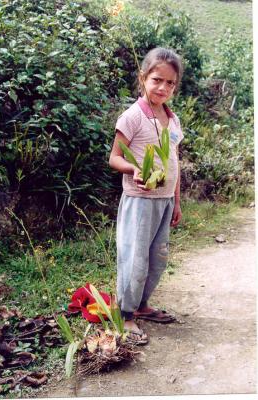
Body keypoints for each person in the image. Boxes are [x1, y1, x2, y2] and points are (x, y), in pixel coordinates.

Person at [109, 47, 184, 345]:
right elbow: (114, 158)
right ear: (143, 78)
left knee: (157, 259)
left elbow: (174, 162)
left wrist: (177, 201)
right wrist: (135, 168)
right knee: (134, 259)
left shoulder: (172, 119)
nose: (163, 87)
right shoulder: (133, 117)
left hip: (165, 201)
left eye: (170, 83)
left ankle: (142, 306)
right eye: (157, 80)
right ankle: (126, 314)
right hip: (140, 201)